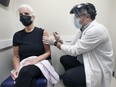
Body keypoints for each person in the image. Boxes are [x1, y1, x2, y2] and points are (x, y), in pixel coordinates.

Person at [43, 3, 114, 87]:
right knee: (64, 59)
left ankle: (75, 79)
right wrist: (59, 40)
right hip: (87, 61)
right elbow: (73, 45)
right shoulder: (83, 28)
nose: (75, 18)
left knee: (67, 77)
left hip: (97, 66)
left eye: (77, 16)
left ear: (87, 17)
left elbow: (74, 51)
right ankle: (78, 80)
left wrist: (54, 43)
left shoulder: (97, 30)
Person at [11, 4, 59, 87]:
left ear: (33, 16)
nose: (23, 16)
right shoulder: (17, 35)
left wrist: (35, 60)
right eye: (21, 15)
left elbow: (48, 52)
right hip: (24, 64)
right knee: (27, 75)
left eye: (26, 14)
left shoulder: (43, 32)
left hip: (39, 63)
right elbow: (16, 56)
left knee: (26, 72)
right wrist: (16, 69)